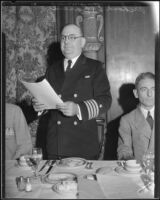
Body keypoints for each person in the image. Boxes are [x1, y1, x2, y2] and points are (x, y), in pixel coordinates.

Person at [32, 24, 112, 160]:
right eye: (63, 38)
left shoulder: (95, 68)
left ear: (82, 42)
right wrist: (40, 105)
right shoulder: (52, 69)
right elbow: (49, 100)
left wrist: (78, 108)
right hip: (56, 144)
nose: (66, 41)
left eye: (72, 37)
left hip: (82, 145)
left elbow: (105, 100)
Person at [117, 72, 155, 161]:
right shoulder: (127, 120)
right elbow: (124, 149)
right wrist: (130, 164)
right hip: (139, 171)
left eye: (154, 89)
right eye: (144, 89)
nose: (149, 94)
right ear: (136, 93)